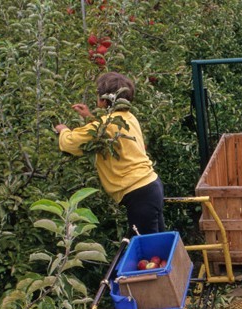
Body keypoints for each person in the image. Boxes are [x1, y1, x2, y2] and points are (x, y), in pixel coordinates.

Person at [54, 72, 165, 236]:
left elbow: (70, 144)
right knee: (157, 244)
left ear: (104, 100)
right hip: (150, 186)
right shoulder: (127, 117)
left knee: (148, 248)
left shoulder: (104, 125)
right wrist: (90, 118)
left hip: (138, 192)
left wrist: (63, 130)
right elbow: (107, 131)